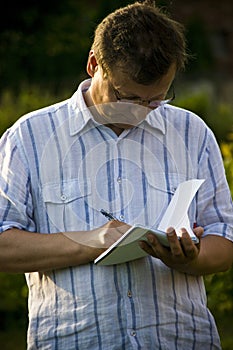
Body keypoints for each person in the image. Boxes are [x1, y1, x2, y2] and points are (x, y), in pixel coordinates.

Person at [0, 0, 232, 349]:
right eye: (126, 97)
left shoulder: (192, 133)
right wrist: (95, 241)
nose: (139, 112)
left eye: (154, 100)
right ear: (94, 64)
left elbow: (224, 241)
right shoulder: (29, 137)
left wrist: (192, 258)